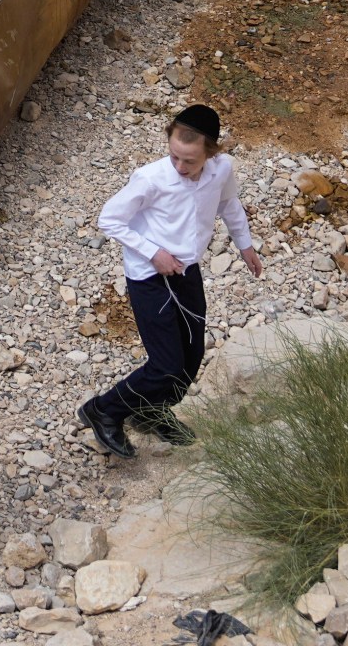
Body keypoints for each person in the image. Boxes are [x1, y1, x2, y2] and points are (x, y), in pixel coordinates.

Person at [78, 104, 263, 457]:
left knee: (191, 357)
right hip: (149, 277)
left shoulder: (222, 170)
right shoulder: (150, 178)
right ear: (170, 141)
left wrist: (246, 246)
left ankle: (152, 411)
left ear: (211, 153)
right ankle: (104, 410)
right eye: (175, 156)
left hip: (186, 272)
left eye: (190, 161)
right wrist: (153, 253)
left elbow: (229, 204)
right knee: (165, 365)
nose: (180, 167)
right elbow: (110, 219)